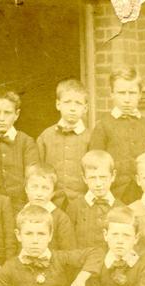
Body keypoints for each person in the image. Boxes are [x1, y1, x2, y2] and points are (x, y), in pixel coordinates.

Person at [89, 66, 145, 203]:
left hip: (144, 194)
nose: (127, 99)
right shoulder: (103, 126)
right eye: (121, 93)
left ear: (140, 94)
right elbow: (95, 164)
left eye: (132, 93)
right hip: (114, 194)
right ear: (112, 94)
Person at [36, 79, 91, 210]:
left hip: (81, 204)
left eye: (78, 103)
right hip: (51, 203)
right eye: (67, 102)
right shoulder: (46, 137)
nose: (72, 108)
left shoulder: (91, 138)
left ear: (85, 108)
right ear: (58, 104)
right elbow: (37, 171)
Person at [67, 150, 121, 249]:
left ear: (113, 176)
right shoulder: (74, 207)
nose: (98, 184)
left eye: (103, 177)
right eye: (92, 178)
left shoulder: (121, 208)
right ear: (84, 178)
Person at [24, 163, 75, 251]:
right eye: (34, 187)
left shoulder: (61, 218)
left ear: (53, 193)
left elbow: (68, 252)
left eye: (45, 188)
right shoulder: (20, 214)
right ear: (26, 189)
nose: (39, 193)